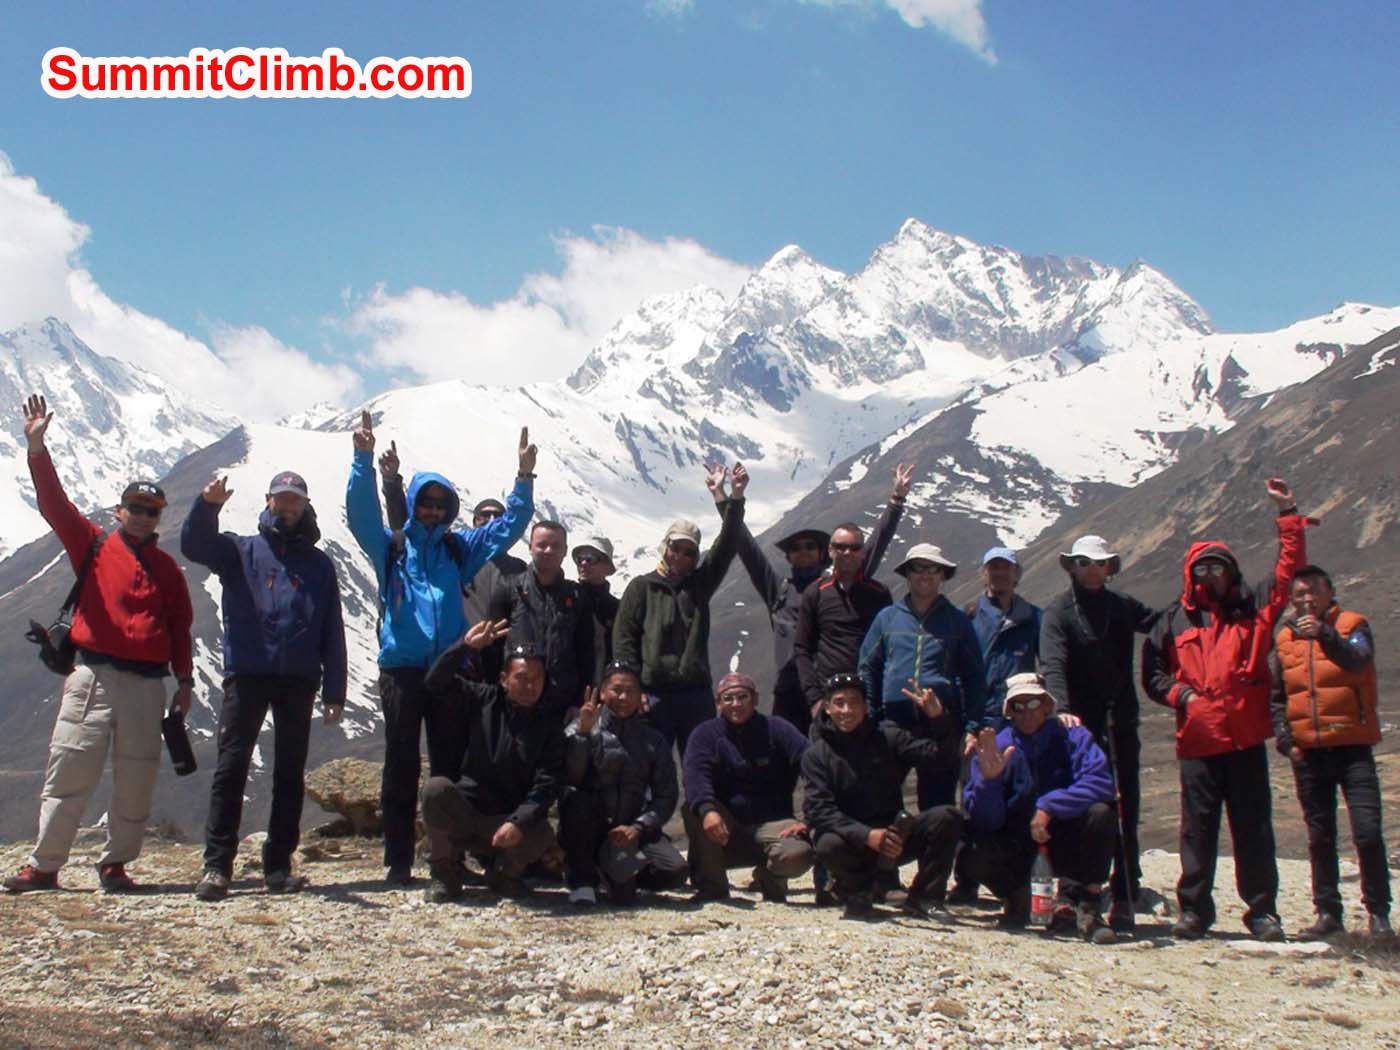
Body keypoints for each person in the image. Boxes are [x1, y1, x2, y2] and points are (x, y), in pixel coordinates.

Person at [5, 394, 194, 895]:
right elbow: (53, 504)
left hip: (148, 683)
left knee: (136, 777)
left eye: (151, 511)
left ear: (159, 517)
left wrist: (185, 680)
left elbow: (180, 627)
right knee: (69, 767)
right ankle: (45, 866)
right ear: (119, 510)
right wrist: (36, 448)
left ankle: (116, 865)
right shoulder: (90, 542)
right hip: (92, 675)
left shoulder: (169, 571)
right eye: (135, 508)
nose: (142, 516)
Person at [346, 412, 535, 885]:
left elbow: (507, 528)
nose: (432, 511)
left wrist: (524, 478)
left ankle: (447, 856)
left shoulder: (459, 549)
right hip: (402, 669)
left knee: (450, 765)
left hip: (450, 668)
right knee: (401, 761)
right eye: (425, 504)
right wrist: (362, 459)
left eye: (440, 505)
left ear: (450, 509)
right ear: (413, 505)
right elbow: (361, 514)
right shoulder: (391, 546)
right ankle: (397, 859)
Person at [1143, 477, 1310, 942]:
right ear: (1190, 575)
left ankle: (1262, 912)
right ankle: (1194, 911)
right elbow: (1152, 674)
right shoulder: (1174, 620)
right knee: (1197, 831)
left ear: (1232, 572)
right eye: (1202, 570)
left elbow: (1287, 572)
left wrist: (1288, 516)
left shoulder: (1253, 608)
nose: (1210, 578)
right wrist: (1182, 697)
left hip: (1244, 738)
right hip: (1197, 741)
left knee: (1253, 827)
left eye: (1218, 569)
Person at [182, 471, 347, 901]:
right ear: (269, 501)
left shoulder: (319, 564)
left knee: (289, 773)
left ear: (305, 507)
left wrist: (334, 690)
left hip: (299, 678)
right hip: (249, 674)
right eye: (282, 500)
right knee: (231, 767)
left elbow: (332, 628)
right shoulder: (241, 551)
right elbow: (195, 545)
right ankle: (217, 865)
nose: (288, 508)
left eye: (296, 502)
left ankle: (278, 866)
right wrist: (207, 505)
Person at [730, 463, 914, 735]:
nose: (803, 552)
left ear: (822, 553)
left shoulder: (847, 582)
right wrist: (730, 500)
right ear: (789, 556)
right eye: (795, 548)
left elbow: (874, 545)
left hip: (836, 691)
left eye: (810, 547)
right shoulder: (780, 589)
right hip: (791, 689)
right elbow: (747, 550)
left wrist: (896, 501)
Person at [1039, 533, 1157, 931]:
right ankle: (1073, 890)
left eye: (1099, 564)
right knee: (1081, 806)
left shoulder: (1122, 607)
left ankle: (1125, 889)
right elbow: (1053, 662)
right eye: (1085, 563)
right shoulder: (1057, 612)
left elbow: (1162, 625)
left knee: (1127, 804)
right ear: (1072, 566)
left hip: (1120, 718)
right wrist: (1063, 709)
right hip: (1078, 727)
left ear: (1109, 568)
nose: (1092, 570)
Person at [1270, 565, 1392, 939]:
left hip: (1352, 746)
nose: (1306, 600)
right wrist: (1285, 739)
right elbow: (1278, 695)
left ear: (1329, 593)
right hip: (1308, 751)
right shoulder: (1284, 639)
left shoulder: (1353, 625)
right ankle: (1327, 913)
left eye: (1313, 593)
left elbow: (1358, 661)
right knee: (1320, 835)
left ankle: (1379, 913)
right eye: (1299, 595)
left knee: (1368, 832)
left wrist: (1325, 635)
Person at [959, 673, 1119, 944]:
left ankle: (1087, 905)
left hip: (1064, 835)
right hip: (1017, 841)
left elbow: (1101, 782)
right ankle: (1017, 896)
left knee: (1101, 815)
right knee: (969, 848)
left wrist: (1049, 806)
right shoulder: (997, 746)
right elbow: (985, 819)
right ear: (1009, 711)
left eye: (1032, 704)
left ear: (1047, 705)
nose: (1026, 713)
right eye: (1018, 707)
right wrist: (990, 782)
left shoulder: (1072, 736)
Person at [419, 623, 564, 902]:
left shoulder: (548, 727)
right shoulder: (482, 699)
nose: (529, 686)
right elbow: (435, 683)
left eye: (537, 679)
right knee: (436, 789)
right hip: (468, 812)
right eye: (521, 678)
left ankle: (503, 876)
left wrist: (517, 822)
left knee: (540, 832)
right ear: (503, 679)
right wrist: (465, 647)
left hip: (506, 823)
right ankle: (444, 876)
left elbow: (546, 786)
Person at [801, 673, 963, 919]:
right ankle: (857, 892)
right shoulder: (817, 755)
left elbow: (939, 757)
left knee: (945, 817)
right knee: (827, 844)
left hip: (895, 837)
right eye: (839, 703)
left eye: (854, 702)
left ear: (865, 707)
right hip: (851, 841)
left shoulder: (887, 737)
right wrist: (866, 835)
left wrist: (938, 718)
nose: (847, 710)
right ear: (827, 708)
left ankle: (925, 897)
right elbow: (820, 811)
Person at [613, 462, 744, 757]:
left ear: (697, 556)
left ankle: (700, 805)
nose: (681, 557)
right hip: (653, 693)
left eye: (689, 552)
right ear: (665, 547)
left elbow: (729, 542)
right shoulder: (641, 587)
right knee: (647, 765)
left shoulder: (700, 584)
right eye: (676, 548)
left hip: (695, 693)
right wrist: (633, 689)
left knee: (702, 765)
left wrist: (730, 496)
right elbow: (624, 641)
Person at [858, 543, 985, 807]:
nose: (925, 574)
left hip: (940, 723)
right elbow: (867, 667)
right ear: (907, 574)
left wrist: (972, 726)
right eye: (917, 568)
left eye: (933, 568)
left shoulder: (957, 621)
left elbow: (974, 677)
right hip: (893, 723)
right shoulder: (887, 618)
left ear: (942, 575)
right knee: (881, 799)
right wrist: (871, 713)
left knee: (938, 804)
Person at [559, 662, 688, 906]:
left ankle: (617, 872)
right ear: (603, 692)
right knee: (576, 799)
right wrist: (583, 735)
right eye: (616, 690)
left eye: (631, 691)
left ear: (641, 696)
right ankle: (582, 878)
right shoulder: (581, 726)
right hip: (590, 828)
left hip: (631, 830)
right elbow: (571, 776)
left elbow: (666, 796)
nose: (623, 697)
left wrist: (638, 827)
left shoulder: (653, 740)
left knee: (674, 870)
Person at [792, 467, 912, 729]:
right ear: (830, 551)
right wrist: (814, 699)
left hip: (870, 698)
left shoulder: (878, 593)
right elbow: (802, 648)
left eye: (853, 548)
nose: (846, 552)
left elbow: (890, 646)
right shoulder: (816, 592)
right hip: (829, 701)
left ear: (861, 553)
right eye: (839, 547)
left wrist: (897, 499)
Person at [682, 672, 813, 902]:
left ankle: (769, 876)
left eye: (742, 697)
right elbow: (695, 777)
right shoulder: (704, 735)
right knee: (693, 808)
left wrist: (809, 818)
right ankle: (713, 886)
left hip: (775, 822)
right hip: (726, 828)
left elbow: (813, 767)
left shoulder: (778, 729)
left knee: (798, 855)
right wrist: (707, 810)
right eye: (728, 698)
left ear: (755, 698)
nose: (736, 704)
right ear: (718, 702)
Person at [484, 520, 594, 717]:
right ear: (530, 547)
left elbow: (585, 652)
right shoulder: (509, 589)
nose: (548, 550)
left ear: (565, 551)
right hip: (514, 700)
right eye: (542, 544)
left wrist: (579, 700)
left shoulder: (576, 596)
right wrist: (494, 693)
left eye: (556, 545)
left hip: (560, 702)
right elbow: (492, 648)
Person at [967, 547, 1042, 728]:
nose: (1000, 573)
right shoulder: (968, 616)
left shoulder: (1035, 618)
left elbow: (1048, 663)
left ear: (1016, 575)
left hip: (1020, 716)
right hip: (976, 717)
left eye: (1006, 568)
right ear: (984, 574)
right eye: (994, 568)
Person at [573, 536, 620, 689]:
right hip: (565, 696)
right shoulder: (566, 599)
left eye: (591, 559)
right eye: (580, 559)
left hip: (604, 695)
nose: (583, 563)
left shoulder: (617, 609)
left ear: (607, 566)